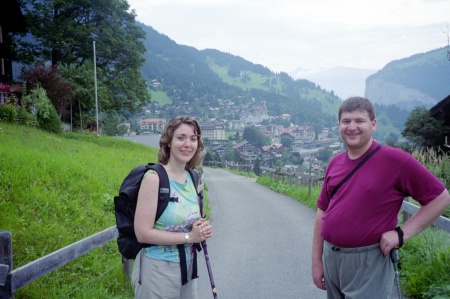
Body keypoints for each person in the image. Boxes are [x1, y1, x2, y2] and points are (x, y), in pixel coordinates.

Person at [311, 97, 450, 299]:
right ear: (339, 125)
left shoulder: (395, 160)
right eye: (346, 121)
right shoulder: (335, 163)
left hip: (368, 261)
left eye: (359, 121)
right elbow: (322, 211)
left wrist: (402, 234)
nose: (352, 127)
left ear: (373, 124)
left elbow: (441, 198)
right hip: (332, 258)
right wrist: (317, 261)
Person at [132, 116, 213, 299]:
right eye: (181, 137)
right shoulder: (154, 179)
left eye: (193, 139)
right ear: (168, 142)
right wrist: (189, 237)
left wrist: (200, 227)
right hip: (158, 270)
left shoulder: (192, 178)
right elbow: (142, 233)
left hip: (188, 268)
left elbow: (190, 218)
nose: (188, 144)